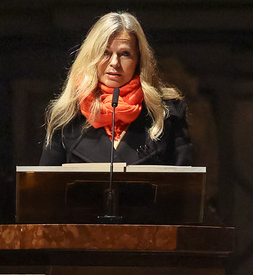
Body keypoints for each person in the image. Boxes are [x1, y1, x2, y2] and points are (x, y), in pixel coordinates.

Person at [40, 11, 193, 166]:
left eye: (125, 54)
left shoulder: (167, 112)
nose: (114, 62)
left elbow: (185, 178)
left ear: (139, 59)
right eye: (105, 52)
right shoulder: (67, 114)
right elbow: (46, 180)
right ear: (92, 57)